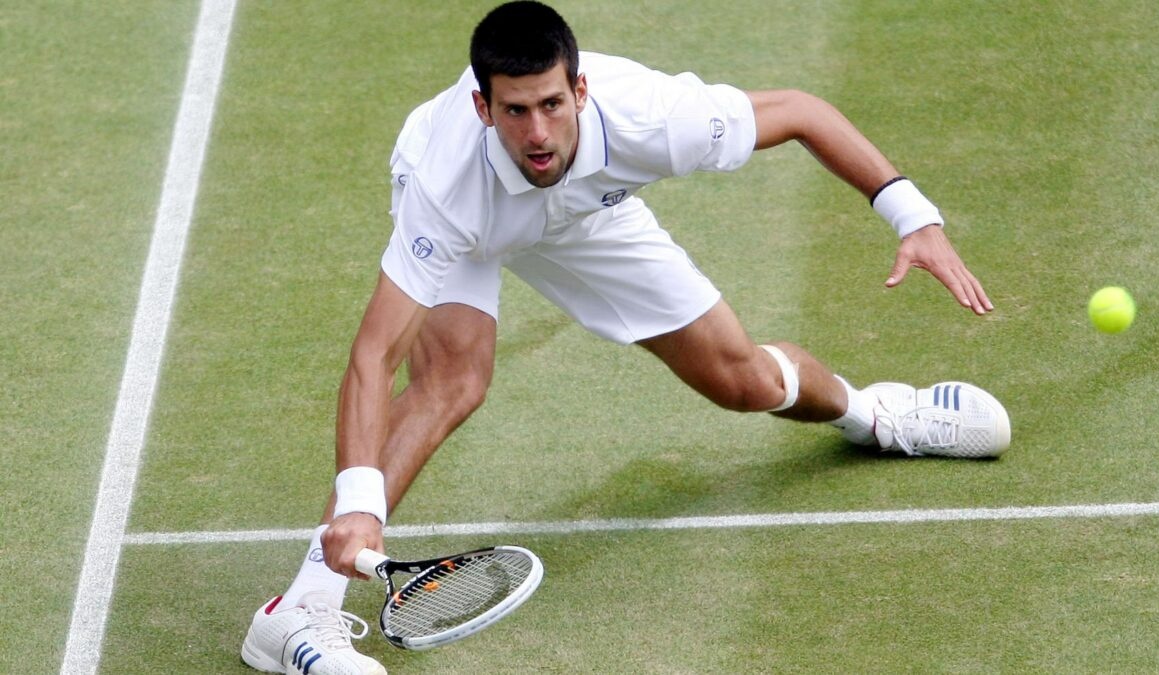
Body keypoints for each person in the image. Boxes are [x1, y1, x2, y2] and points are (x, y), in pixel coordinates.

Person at [240, 2, 1011, 672]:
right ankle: (299, 610)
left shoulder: (653, 115)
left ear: (580, 88)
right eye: (514, 110)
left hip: (590, 211)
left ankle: (874, 415)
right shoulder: (445, 184)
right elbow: (374, 353)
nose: (537, 131)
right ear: (482, 108)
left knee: (740, 378)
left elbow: (804, 112)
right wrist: (359, 501)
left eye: (550, 103)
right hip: (476, 223)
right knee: (455, 380)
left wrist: (915, 216)